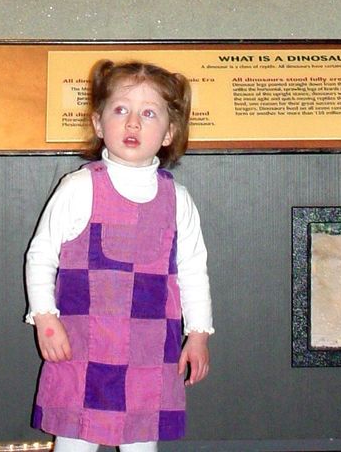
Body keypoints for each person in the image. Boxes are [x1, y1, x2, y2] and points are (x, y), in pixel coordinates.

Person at [25, 59, 213, 452]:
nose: (133, 123)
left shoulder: (177, 199)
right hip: (81, 352)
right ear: (98, 123)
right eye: (121, 110)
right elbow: (41, 255)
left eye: (149, 113)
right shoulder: (79, 187)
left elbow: (194, 272)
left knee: (141, 444)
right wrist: (45, 319)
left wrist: (198, 334)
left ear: (170, 132)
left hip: (149, 357)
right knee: (75, 442)